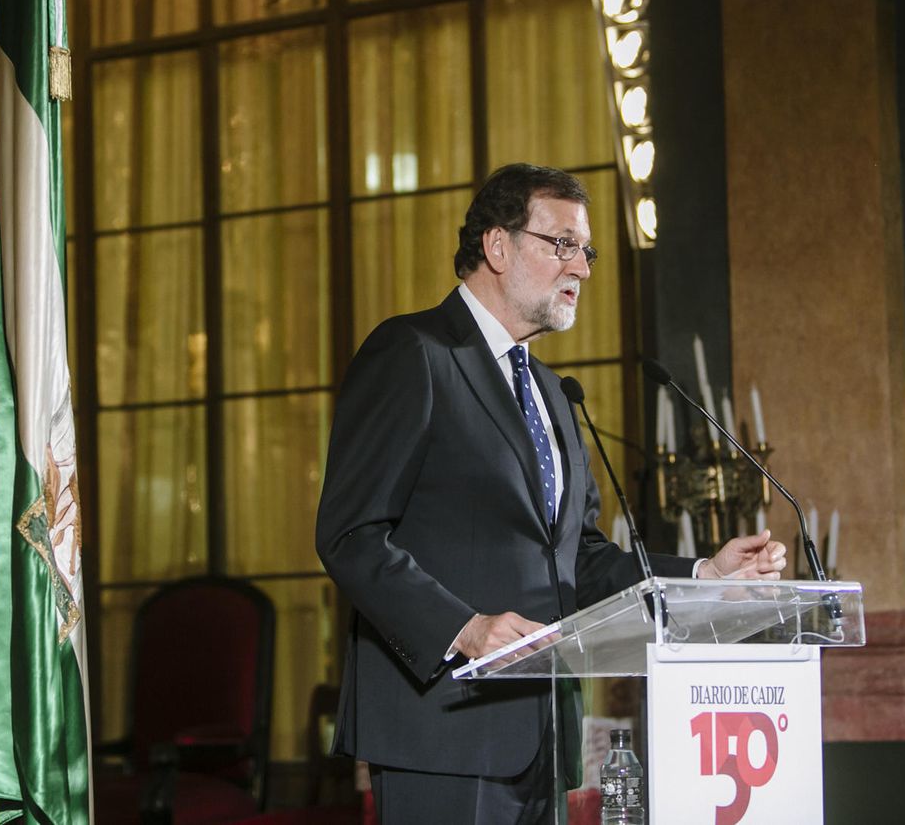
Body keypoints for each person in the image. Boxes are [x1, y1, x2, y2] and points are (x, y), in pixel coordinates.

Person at [315, 163, 787, 824]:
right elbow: (350, 533)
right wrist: (463, 626)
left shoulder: (554, 396)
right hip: (444, 733)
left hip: (545, 736)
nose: (583, 268)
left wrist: (703, 575)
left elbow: (579, 561)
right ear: (498, 246)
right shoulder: (414, 352)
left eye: (585, 249)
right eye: (562, 243)